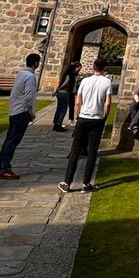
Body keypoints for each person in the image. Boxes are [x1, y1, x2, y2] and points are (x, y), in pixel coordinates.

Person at [59, 57, 113, 193]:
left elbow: (78, 101)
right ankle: (86, 184)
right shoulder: (107, 82)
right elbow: (107, 103)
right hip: (97, 119)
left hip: (83, 117)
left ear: (93, 67)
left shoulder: (85, 81)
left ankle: (67, 183)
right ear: (105, 68)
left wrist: (78, 116)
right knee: (92, 152)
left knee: (75, 150)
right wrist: (104, 118)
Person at [0, 52, 40, 180]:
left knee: (9, 139)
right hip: (22, 112)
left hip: (14, 111)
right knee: (13, 140)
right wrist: (31, 113)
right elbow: (29, 96)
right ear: (36, 63)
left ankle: (1, 166)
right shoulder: (31, 77)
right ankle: (5, 168)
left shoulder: (21, 74)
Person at [53, 59, 81, 132]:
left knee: (59, 109)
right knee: (63, 109)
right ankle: (58, 124)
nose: (78, 70)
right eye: (77, 68)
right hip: (64, 93)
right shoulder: (70, 75)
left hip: (62, 93)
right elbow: (65, 83)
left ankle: (56, 124)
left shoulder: (69, 75)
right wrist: (58, 89)